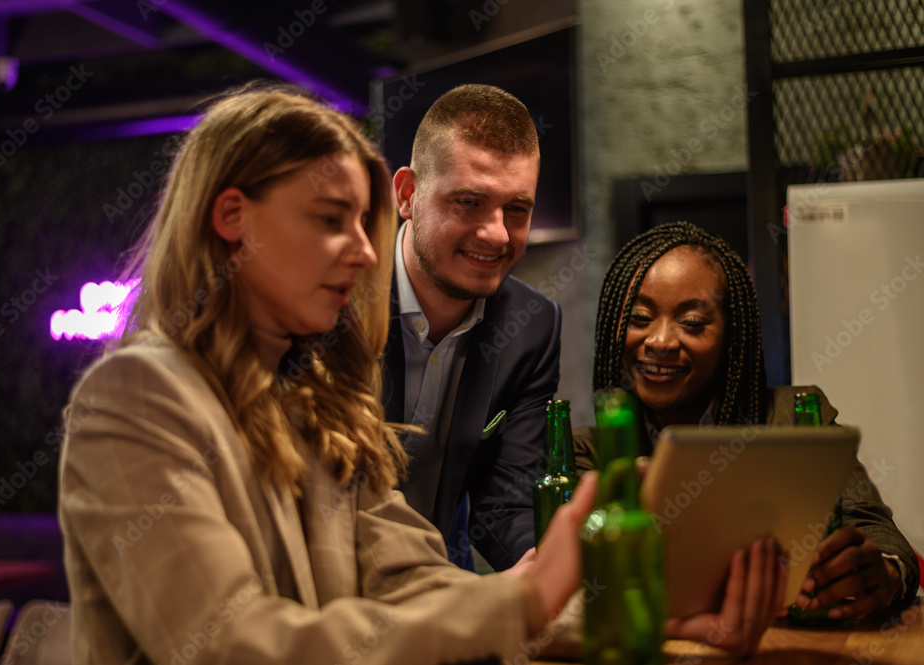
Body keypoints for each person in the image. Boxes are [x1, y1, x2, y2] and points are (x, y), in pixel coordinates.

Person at [58, 85, 597, 664]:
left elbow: (413, 577)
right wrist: (524, 605)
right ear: (232, 217)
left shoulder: (317, 398)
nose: (367, 253)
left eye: (364, 223)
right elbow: (232, 645)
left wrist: (625, 616)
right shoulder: (133, 395)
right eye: (330, 219)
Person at [576, 221, 920, 625]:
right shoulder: (591, 450)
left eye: (691, 323)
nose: (661, 341)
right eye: (639, 317)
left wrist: (884, 573)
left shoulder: (795, 417)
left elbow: (880, 534)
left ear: (730, 336)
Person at [385, 84, 562, 572]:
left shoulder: (533, 328)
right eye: (469, 201)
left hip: (440, 588)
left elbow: (506, 502)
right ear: (408, 195)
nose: (498, 234)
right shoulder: (338, 294)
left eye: (517, 210)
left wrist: (552, 564)